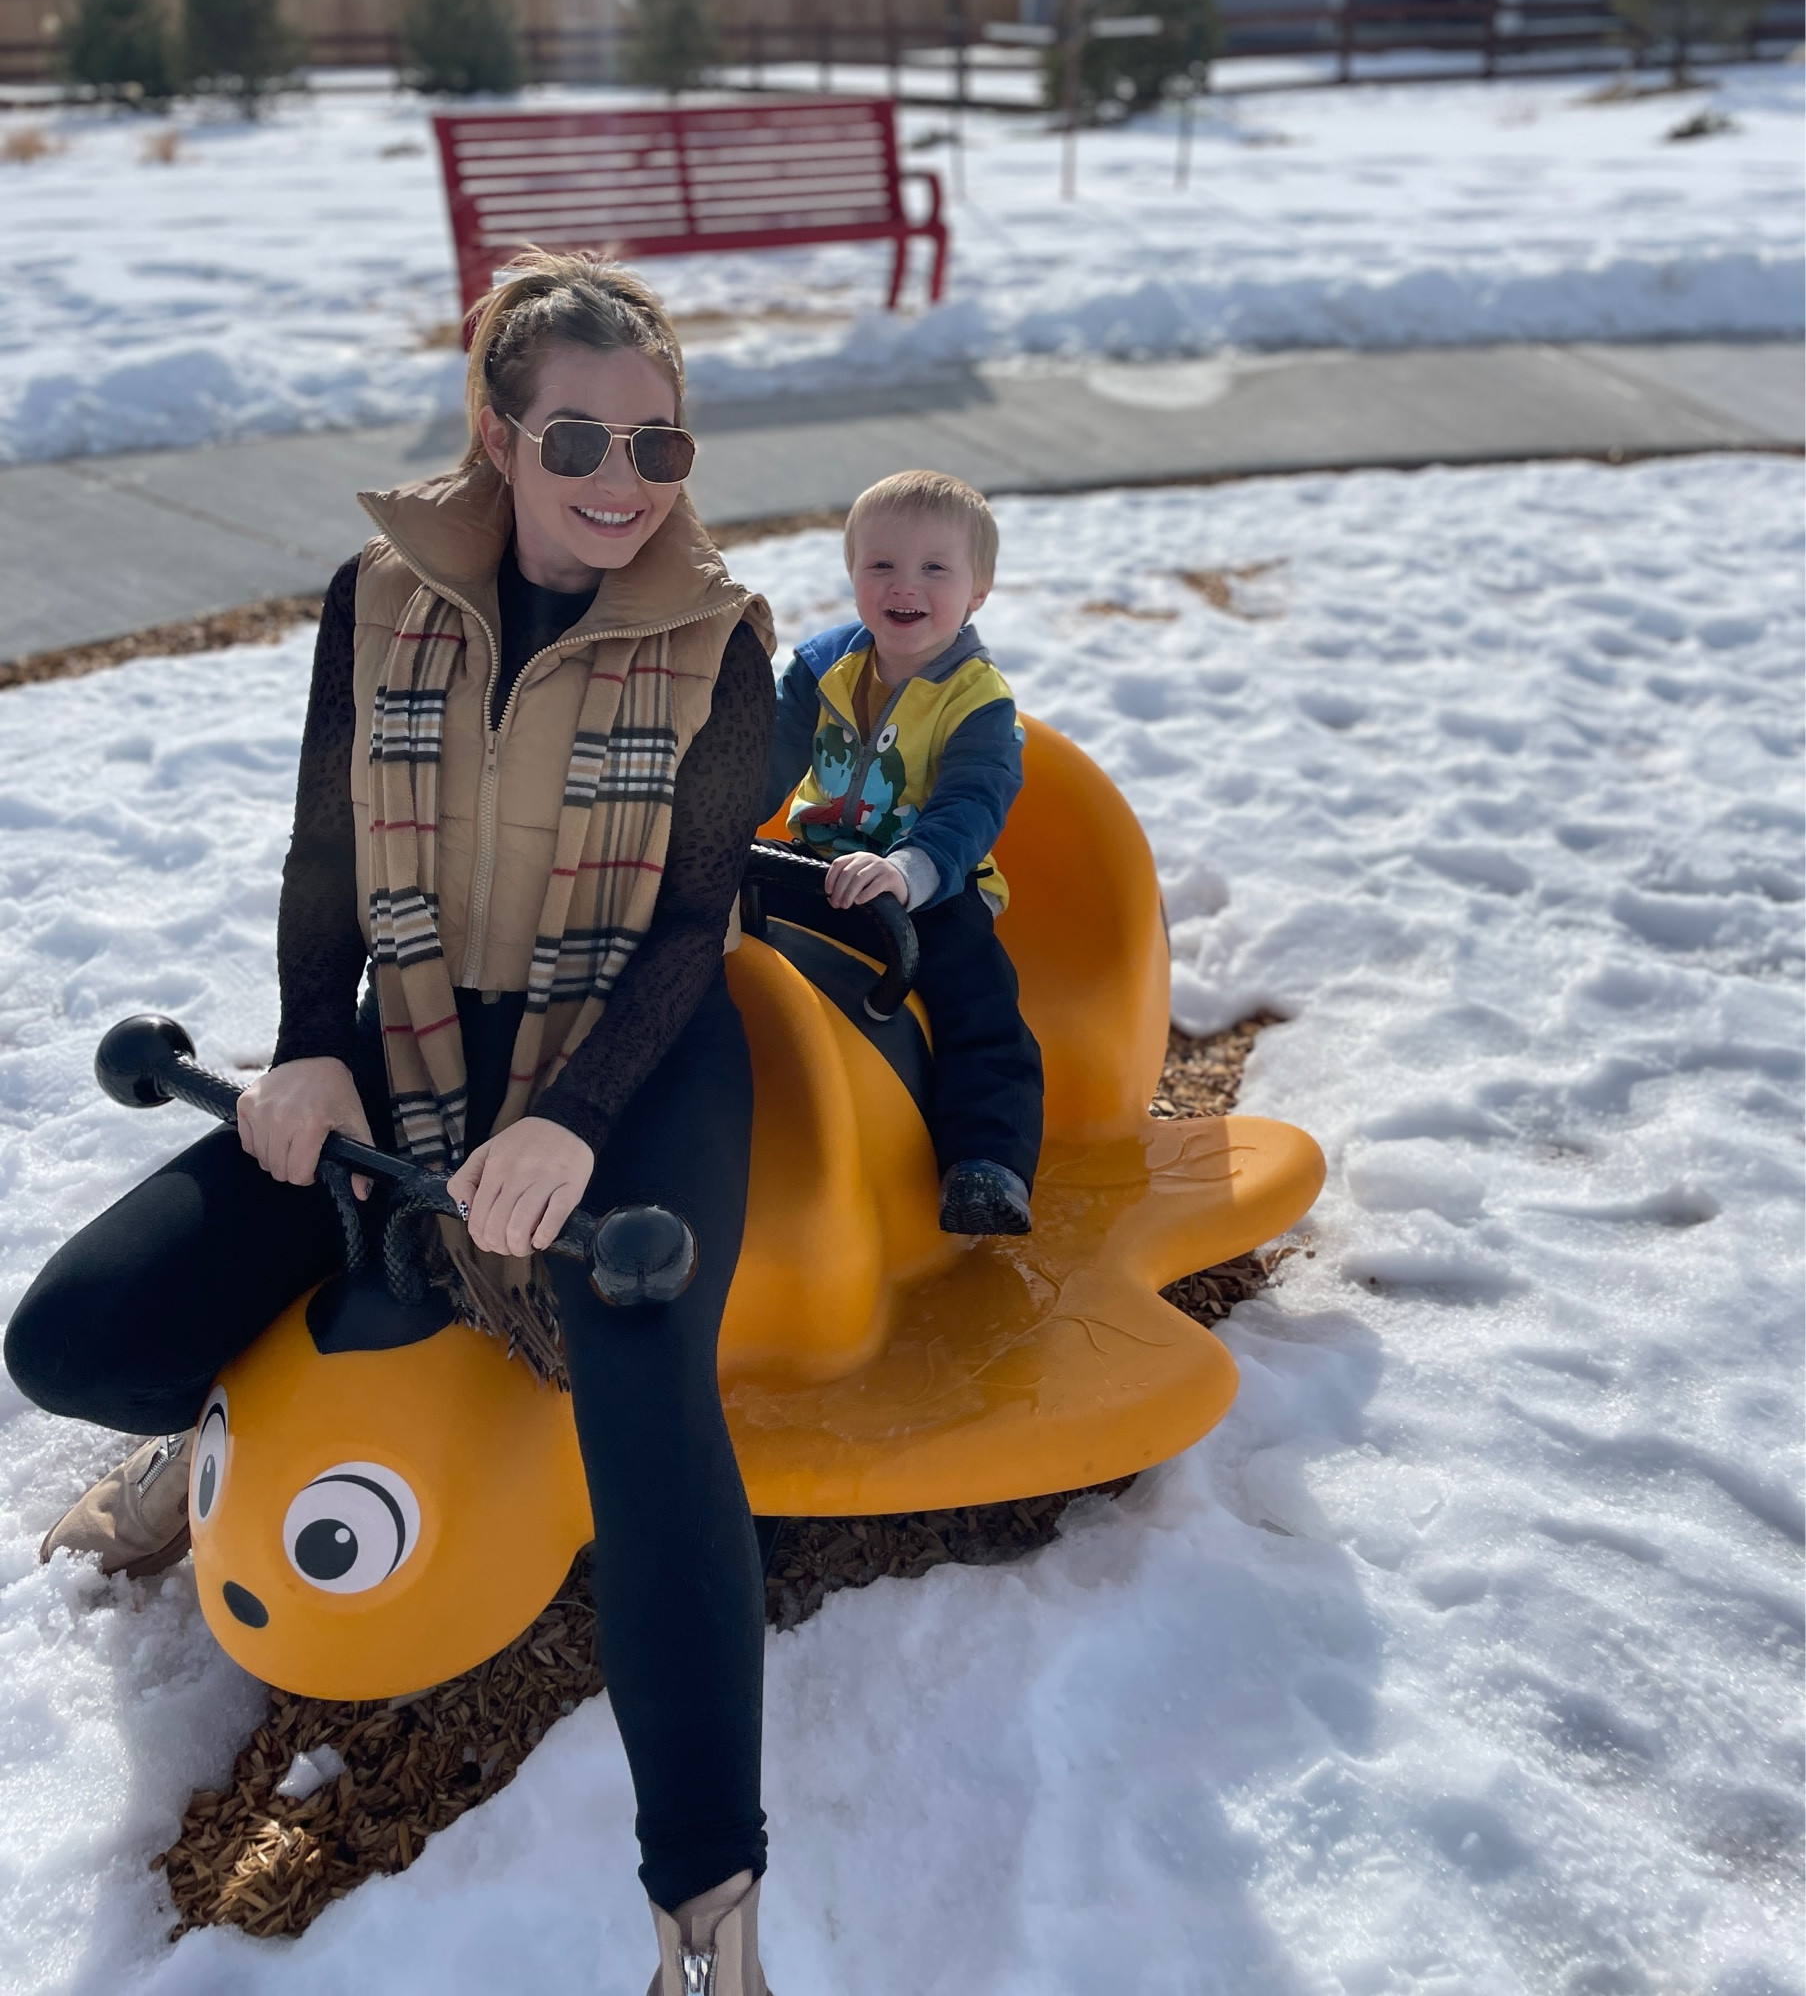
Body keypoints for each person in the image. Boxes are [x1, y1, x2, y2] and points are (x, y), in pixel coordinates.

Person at [5, 250, 778, 1996]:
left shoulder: (728, 643)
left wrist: (577, 1122)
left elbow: (687, 927)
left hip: (636, 1056)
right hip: (416, 1035)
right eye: (579, 435)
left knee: (644, 1390)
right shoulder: (377, 596)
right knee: (75, 1336)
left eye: (659, 448)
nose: (621, 481)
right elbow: (326, 857)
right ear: (495, 434)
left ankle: (706, 1910)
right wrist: (304, 1052)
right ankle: (209, 1419)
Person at [763, 470, 1044, 1236]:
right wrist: (705, 827)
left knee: (978, 995)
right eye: (881, 565)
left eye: (934, 568)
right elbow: (766, 765)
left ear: (977, 590)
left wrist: (909, 870)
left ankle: (988, 1161)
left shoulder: (976, 699)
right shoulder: (820, 668)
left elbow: (972, 804)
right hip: (815, 865)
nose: (903, 586)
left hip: (930, 884)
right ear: (853, 574)